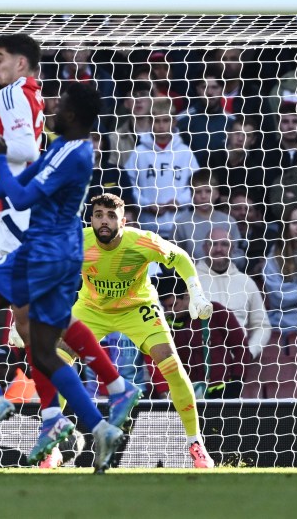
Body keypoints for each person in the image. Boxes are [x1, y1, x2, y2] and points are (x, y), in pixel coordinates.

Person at [0, 82, 125, 472]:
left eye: (61, 103)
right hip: (59, 252)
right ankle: (98, 423)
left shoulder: (73, 153)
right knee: (43, 349)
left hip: (42, 253)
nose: (54, 106)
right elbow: (19, 182)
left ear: (71, 114)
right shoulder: (65, 147)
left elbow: (19, 196)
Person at [72, 193, 216, 468]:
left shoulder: (140, 241)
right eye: (99, 215)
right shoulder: (78, 240)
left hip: (137, 309)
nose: (104, 221)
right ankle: (53, 443)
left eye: (111, 216)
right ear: (90, 219)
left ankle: (195, 442)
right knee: (56, 363)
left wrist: (196, 294)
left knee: (171, 365)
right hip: (91, 309)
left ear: (123, 222)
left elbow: (181, 258)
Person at [125, 96, 198, 239]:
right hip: (146, 227)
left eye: (166, 120)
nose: (161, 125)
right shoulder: (139, 152)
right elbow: (128, 186)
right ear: (150, 122)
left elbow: (197, 185)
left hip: (179, 228)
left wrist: (179, 201)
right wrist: (146, 204)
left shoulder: (185, 152)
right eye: (157, 121)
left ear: (174, 122)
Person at [197, 226, 271, 363]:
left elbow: (262, 326)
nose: (219, 249)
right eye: (213, 244)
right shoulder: (190, 282)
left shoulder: (246, 283)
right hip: (201, 365)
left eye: (224, 244)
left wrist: (248, 353)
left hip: (239, 366)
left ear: (232, 249)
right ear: (204, 248)